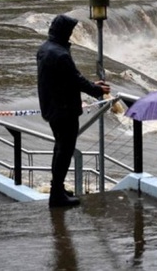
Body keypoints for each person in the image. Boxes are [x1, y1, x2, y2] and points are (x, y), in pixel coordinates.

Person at [37, 14, 110, 207]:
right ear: (64, 33)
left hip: (51, 108)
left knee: (59, 148)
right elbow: (74, 79)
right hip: (65, 110)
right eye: (69, 32)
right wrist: (96, 89)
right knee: (65, 150)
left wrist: (91, 85)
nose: (70, 36)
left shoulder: (44, 49)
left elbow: (66, 78)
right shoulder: (60, 54)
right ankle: (57, 195)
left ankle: (57, 188)